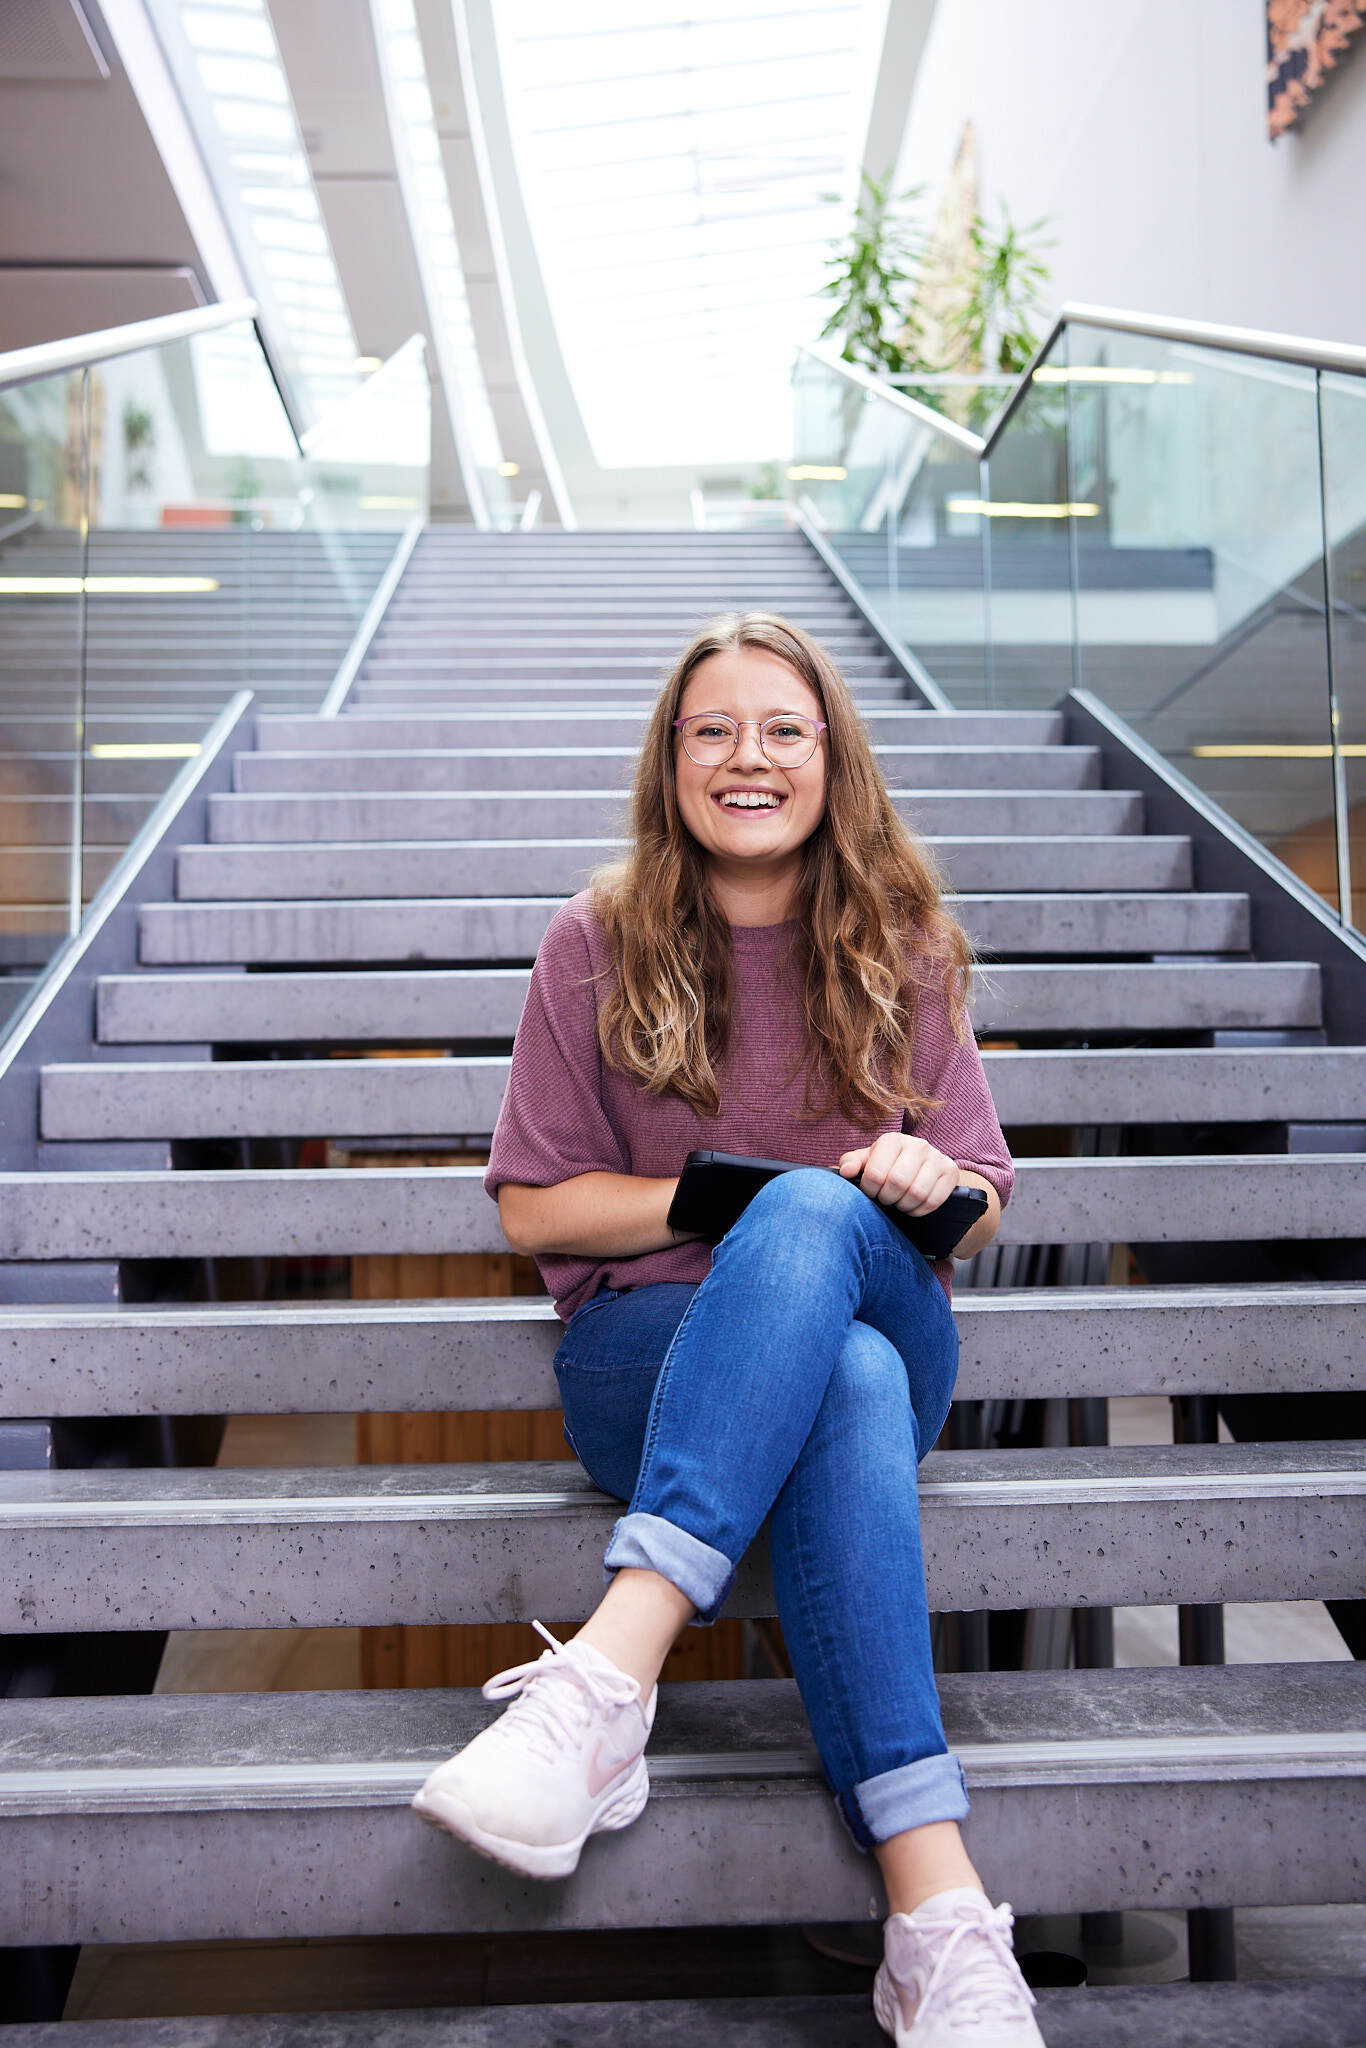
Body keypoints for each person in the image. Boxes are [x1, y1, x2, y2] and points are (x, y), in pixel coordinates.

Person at [413, 613, 1045, 2046]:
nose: (744, 756)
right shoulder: (593, 943)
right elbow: (534, 1213)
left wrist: (921, 1178)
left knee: (824, 1228)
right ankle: (937, 1915)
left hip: (884, 1294)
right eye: (711, 729)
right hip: (651, 1357)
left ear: (831, 761)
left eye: (781, 729)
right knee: (845, 1365)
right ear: (670, 760)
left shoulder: (903, 943)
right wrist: (717, 1204)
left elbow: (982, 1197)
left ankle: (609, 1677)